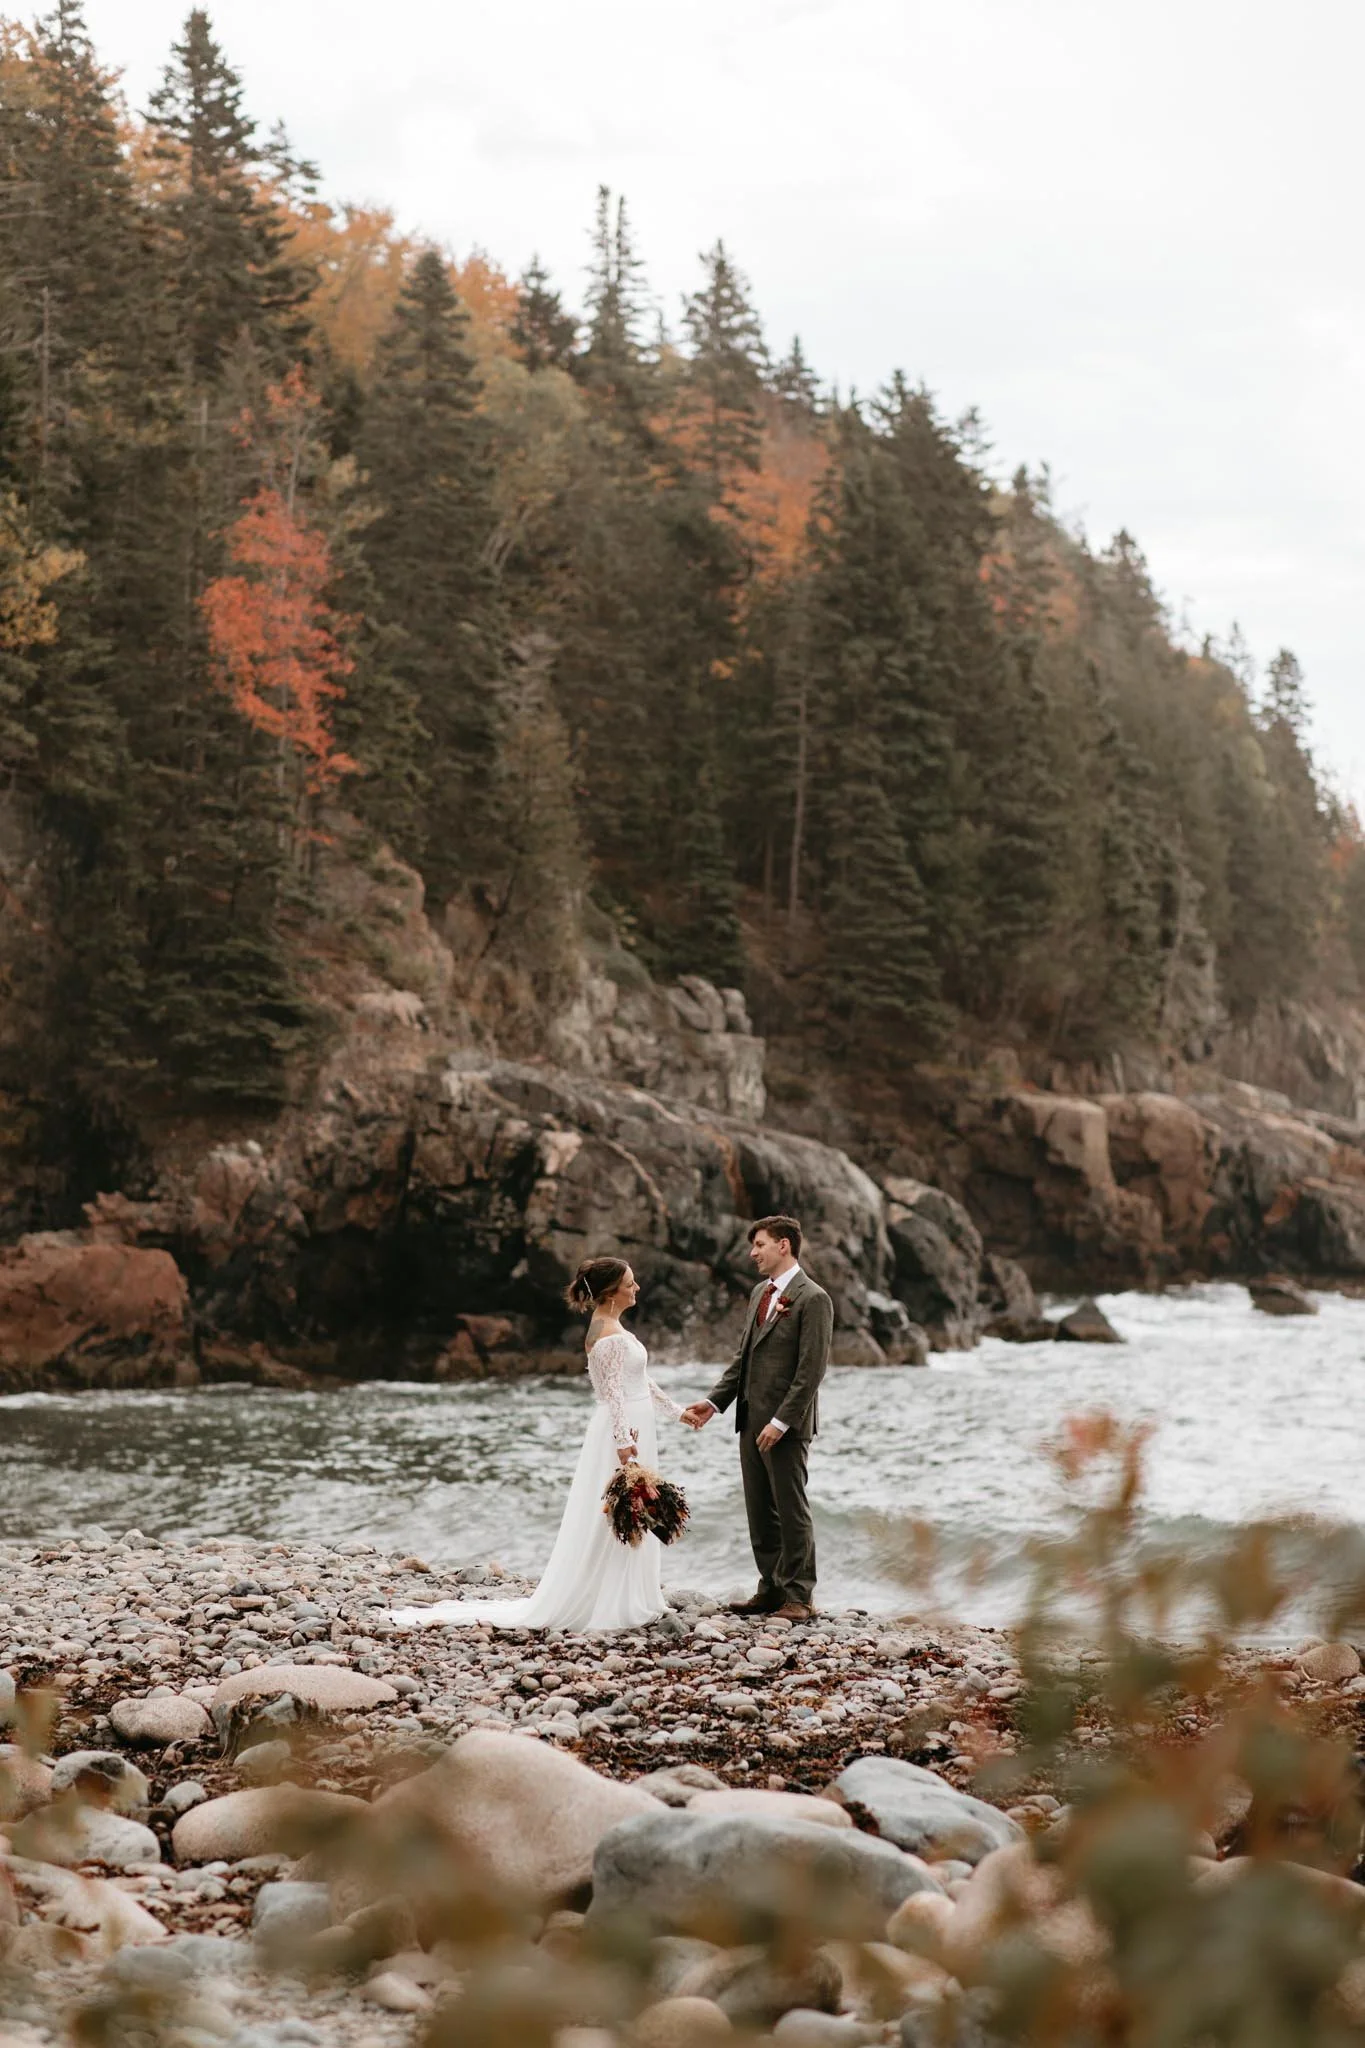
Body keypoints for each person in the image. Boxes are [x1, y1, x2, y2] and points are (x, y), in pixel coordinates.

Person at [386, 1257, 690, 1632]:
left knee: (633, 1509)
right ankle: (612, 1601)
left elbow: (639, 1380)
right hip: (623, 1429)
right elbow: (612, 1395)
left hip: (634, 1425)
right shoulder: (608, 1336)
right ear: (611, 1293)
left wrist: (676, 1412)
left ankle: (632, 1593)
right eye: (631, 1282)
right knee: (619, 1512)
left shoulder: (612, 1327)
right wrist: (624, 1441)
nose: (637, 1288)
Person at [682, 1214, 832, 1620]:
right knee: (759, 1510)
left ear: (784, 1245)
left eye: (760, 1245)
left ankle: (799, 1597)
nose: (753, 1253)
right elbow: (742, 1360)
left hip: (786, 1426)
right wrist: (713, 1404)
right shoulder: (758, 1294)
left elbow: (811, 1370)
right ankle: (770, 1588)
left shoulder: (813, 1298)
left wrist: (781, 1421)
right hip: (749, 1419)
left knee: (791, 1508)